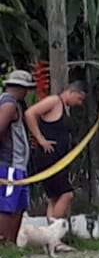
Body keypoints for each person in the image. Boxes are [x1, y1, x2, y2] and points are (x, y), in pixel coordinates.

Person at [24, 80, 88, 222]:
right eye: (79, 98)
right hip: (49, 158)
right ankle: (53, 232)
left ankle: (50, 239)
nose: (79, 103)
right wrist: (40, 139)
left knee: (55, 198)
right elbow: (30, 113)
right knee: (67, 194)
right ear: (72, 92)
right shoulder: (54, 101)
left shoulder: (64, 108)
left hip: (59, 159)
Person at [0, 69, 34, 243]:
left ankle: (11, 244)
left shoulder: (15, 104)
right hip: (9, 164)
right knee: (8, 206)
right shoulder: (9, 104)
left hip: (18, 164)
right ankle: (4, 242)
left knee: (18, 206)